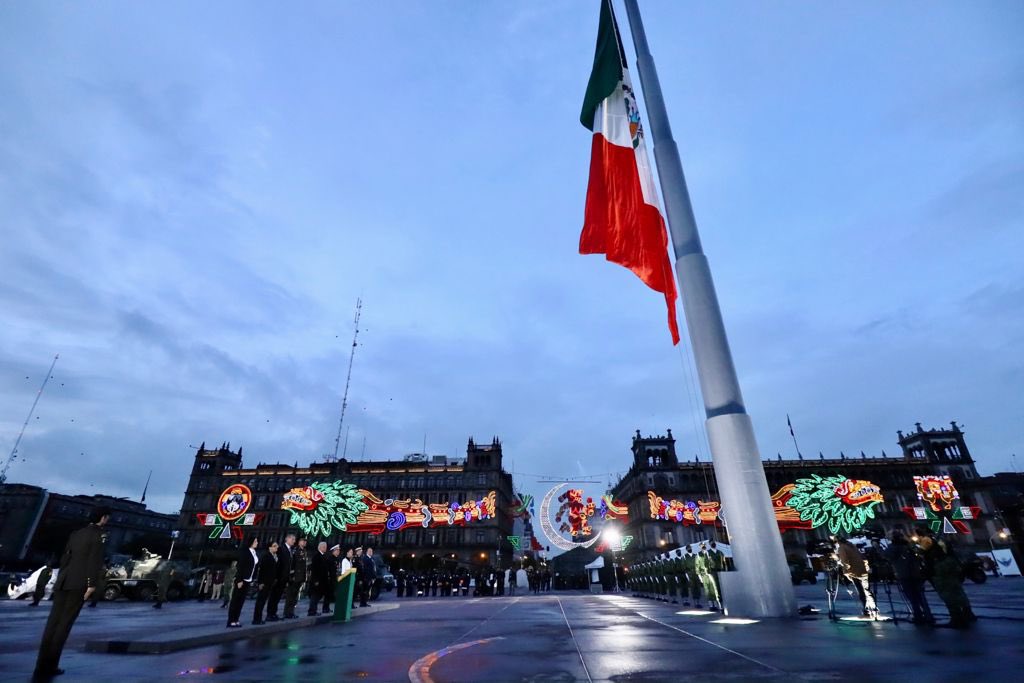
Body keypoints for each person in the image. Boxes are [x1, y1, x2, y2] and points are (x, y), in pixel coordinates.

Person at [34, 505, 110, 680]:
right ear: (103, 518)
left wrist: (61, 578)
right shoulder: (99, 536)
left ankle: (41, 665)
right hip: (79, 583)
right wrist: (91, 584)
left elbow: (66, 557)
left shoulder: (76, 534)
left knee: (52, 624)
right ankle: (51, 665)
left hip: (64, 581)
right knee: (64, 625)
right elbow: (94, 561)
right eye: (107, 518)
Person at [920, 533, 975, 628]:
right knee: (958, 593)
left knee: (948, 596)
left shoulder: (929, 542)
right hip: (950, 568)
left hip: (941, 571)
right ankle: (968, 613)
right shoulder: (941, 541)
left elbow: (923, 552)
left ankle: (957, 619)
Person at [884, 530, 933, 625]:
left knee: (912, 597)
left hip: (904, 574)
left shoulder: (893, 547)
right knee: (920, 596)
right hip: (916, 573)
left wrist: (877, 547)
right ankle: (928, 615)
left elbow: (886, 556)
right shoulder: (910, 545)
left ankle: (918, 616)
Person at [836, 537, 877, 618]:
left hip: (854, 572)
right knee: (867, 590)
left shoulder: (842, 548)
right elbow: (862, 558)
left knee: (861, 591)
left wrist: (846, 571)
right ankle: (874, 607)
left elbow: (845, 561)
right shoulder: (852, 546)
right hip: (863, 571)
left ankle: (866, 610)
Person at [226, 536, 259, 628]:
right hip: (242, 580)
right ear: (251, 542)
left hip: (248, 580)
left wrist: (253, 578)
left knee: (241, 601)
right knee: (235, 601)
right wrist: (239, 579)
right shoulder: (245, 552)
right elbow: (240, 566)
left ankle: (236, 619)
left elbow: (255, 567)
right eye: (255, 541)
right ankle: (231, 620)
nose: (257, 542)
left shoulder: (254, 553)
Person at [252, 540, 279, 625]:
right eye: (274, 546)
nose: (276, 547)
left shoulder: (274, 556)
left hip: (270, 582)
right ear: (270, 547)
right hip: (265, 582)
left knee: (263, 600)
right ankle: (257, 619)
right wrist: (260, 582)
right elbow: (262, 570)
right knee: (261, 601)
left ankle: (259, 618)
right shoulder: (266, 556)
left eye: (277, 546)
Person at [269, 533, 294, 621]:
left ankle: (273, 613)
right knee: (274, 596)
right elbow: (278, 564)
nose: (293, 541)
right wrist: (276, 576)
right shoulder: (281, 549)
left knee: (278, 596)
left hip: (284, 577)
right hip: (279, 577)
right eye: (292, 539)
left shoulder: (290, 550)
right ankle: (270, 614)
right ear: (287, 539)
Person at [284, 537, 307, 618]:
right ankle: (287, 613)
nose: (305, 543)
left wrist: (304, 577)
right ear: (299, 542)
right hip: (295, 577)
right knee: (290, 595)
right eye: (303, 541)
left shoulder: (303, 551)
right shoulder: (295, 550)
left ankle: (291, 612)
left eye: (305, 542)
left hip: (300, 577)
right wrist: (292, 575)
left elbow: (304, 566)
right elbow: (293, 564)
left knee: (295, 596)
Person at [307, 541, 330, 616]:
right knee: (315, 596)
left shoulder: (323, 556)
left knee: (318, 595)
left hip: (322, 580)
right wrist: (316, 580)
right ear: (320, 547)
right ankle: (312, 611)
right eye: (324, 547)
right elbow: (315, 569)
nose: (325, 548)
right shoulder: (317, 556)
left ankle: (314, 610)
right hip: (317, 580)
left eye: (326, 547)